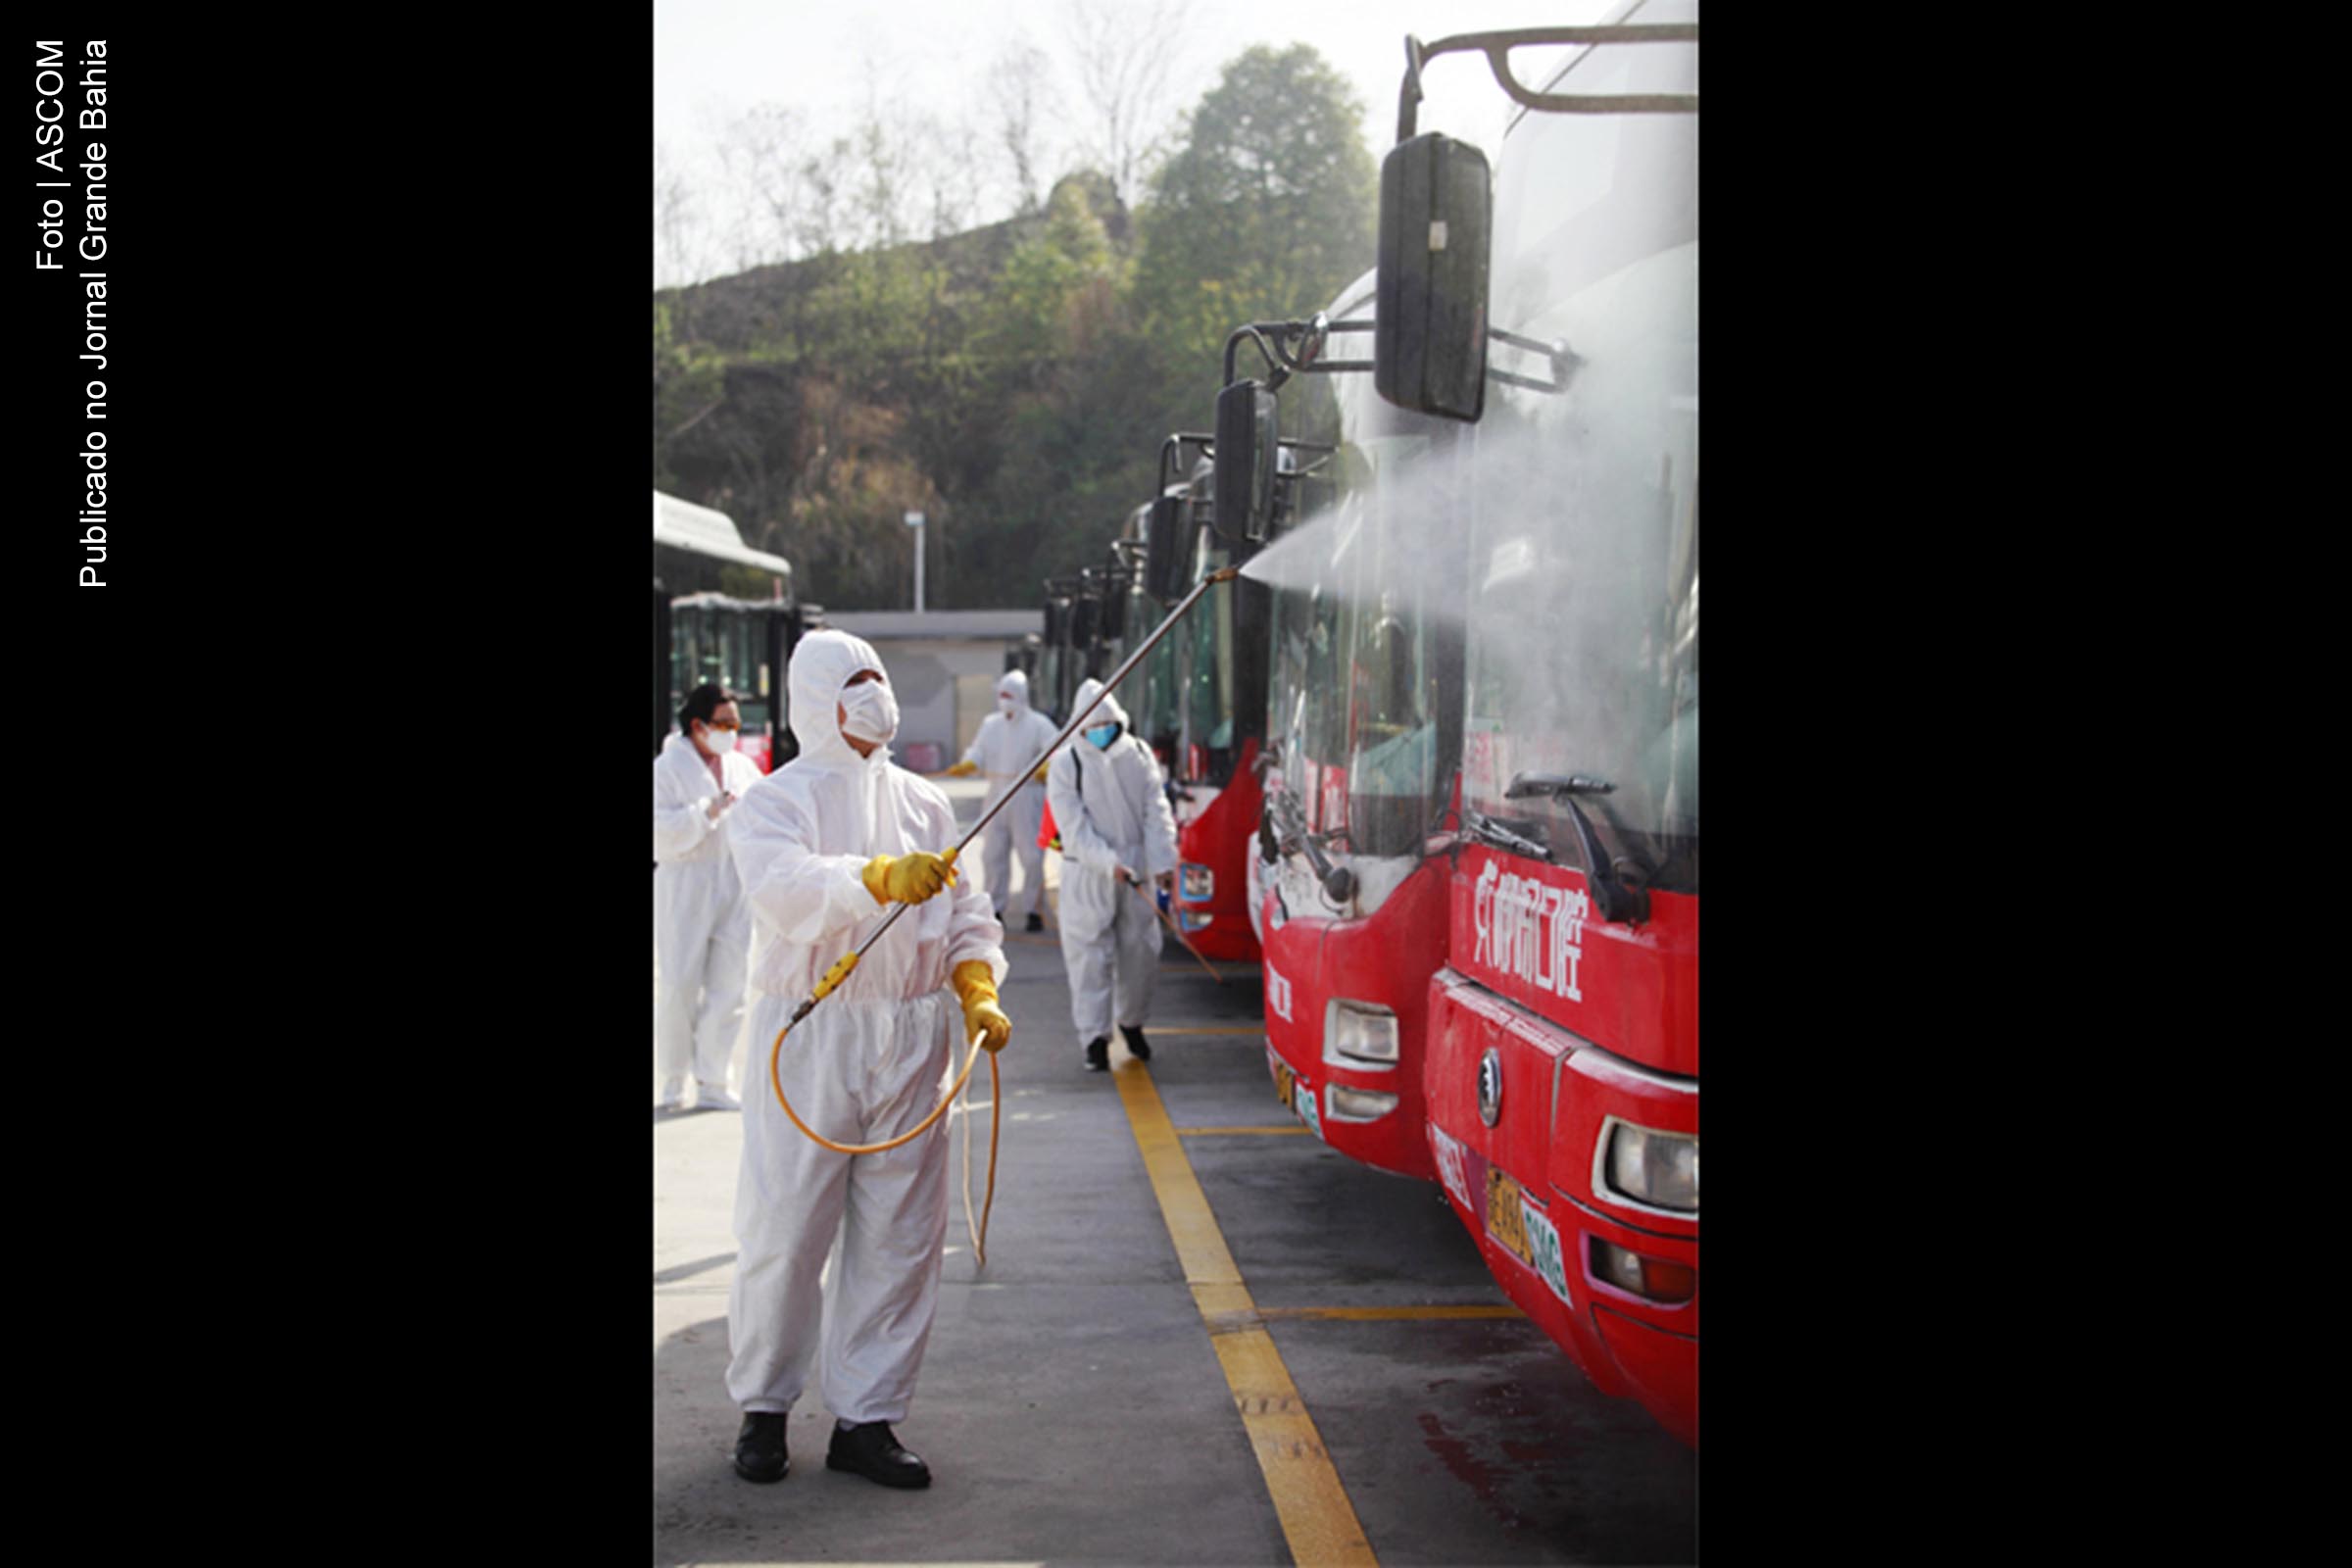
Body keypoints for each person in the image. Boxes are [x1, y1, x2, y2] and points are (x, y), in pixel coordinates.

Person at [722, 628, 1011, 1491]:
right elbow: (785, 889)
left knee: (901, 1235)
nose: (876, 692)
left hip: (913, 1037)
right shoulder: (773, 801)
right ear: (818, 698)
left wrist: (975, 985)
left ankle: (867, 1419)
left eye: (878, 675)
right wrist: (877, 878)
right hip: (812, 1034)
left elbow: (966, 911)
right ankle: (764, 1409)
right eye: (857, 680)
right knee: (785, 1228)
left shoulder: (926, 803)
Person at [1045, 677, 1179, 1073]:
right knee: (1088, 959)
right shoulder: (1066, 764)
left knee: (1141, 954)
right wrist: (1107, 863)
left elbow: (1156, 810)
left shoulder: (1137, 755)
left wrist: (1163, 862)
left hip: (1136, 870)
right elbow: (1073, 828)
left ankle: (1132, 1023)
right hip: (1087, 874)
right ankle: (1094, 1039)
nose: (1100, 731)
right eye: (1093, 726)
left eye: (1107, 724)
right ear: (1080, 725)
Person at [654, 683, 765, 1112]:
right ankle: (673, 1078)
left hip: (732, 879)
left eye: (735, 723)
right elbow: (658, 830)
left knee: (730, 984)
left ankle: (715, 1079)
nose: (731, 732)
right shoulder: (667, 768)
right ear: (698, 725)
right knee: (680, 981)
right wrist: (705, 812)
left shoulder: (741, 767)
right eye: (724, 723)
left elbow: (763, 811)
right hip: (686, 881)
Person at [943, 669, 1060, 933]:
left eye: (1009, 695)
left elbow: (1057, 749)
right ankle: (995, 908)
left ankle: (1033, 909)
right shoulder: (991, 724)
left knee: (1032, 857)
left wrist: (1048, 767)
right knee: (992, 855)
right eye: (1002, 695)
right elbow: (978, 750)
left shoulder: (1039, 724)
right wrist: (969, 763)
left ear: (1021, 696)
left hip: (1027, 795)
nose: (1004, 700)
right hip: (996, 795)